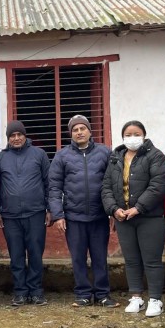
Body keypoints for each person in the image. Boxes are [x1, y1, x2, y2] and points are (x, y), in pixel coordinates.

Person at [101, 120, 165, 317]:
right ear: (123, 137)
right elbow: (106, 186)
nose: (132, 138)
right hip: (123, 218)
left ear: (144, 135)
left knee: (152, 260)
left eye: (136, 134)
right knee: (131, 260)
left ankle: (155, 299)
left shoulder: (155, 156)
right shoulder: (116, 157)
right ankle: (136, 297)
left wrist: (138, 207)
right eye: (128, 134)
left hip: (150, 217)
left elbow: (158, 184)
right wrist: (114, 209)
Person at [49, 115, 116, 308]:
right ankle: (83, 294)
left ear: (89, 130)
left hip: (99, 216)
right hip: (73, 217)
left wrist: (112, 211)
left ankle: (103, 294)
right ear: (71, 134)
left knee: (100, 257)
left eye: (82, 129)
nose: (79, 132)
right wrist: (58, 214)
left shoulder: (105, 153)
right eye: (75, 130)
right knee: (78, 258)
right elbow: (54, 187)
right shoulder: (62, 156)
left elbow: (113, 184)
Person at [0, 120, 50, 306]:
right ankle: (20, 292)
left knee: (35, 253)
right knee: (16, 255)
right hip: (10, 216)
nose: (16, 138)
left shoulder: (39, 154)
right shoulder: (1, 158)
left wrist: (50, 209)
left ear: (25, 136)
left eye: (19, 135)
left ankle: (36, 291)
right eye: (12, 136)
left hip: (36, 213)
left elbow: (48, 183)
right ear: (8, 138)